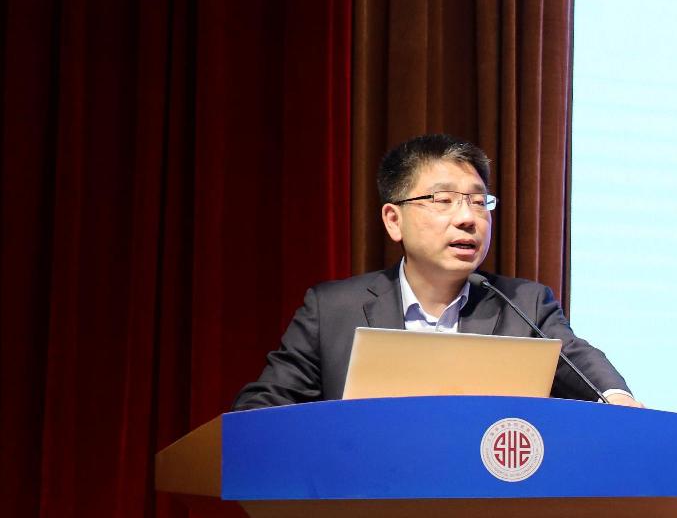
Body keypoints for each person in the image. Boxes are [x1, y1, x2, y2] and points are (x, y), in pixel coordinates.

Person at [232, 134, 641, 410]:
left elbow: (577, 358)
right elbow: (262, 410)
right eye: (443, 200)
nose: (467, 218)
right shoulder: (333, 310)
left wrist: (616, 396)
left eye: (479, 202)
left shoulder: (524, 305)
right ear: (394, 220)